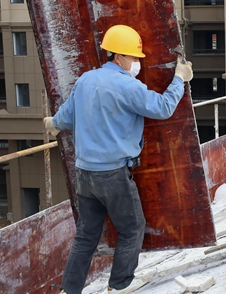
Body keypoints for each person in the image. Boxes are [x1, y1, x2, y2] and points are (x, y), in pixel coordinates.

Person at [43, 24, 193, 294]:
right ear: (119, 57)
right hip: (112, 176)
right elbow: (162, 108)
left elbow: (64, 119)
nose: (137, 63)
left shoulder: (85, 80)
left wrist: (51, 123)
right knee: (132, 228)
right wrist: (179, 79)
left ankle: (68, 290)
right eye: (134, 58)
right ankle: (119, 288)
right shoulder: (128, 86)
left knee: (86, 235)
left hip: (84, 175)